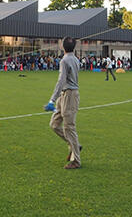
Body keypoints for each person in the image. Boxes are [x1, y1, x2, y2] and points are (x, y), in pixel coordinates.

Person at [45, 36, 82, 169]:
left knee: (69, 127)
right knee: (54, 125)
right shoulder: (75, 59)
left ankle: (76, 160)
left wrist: (51, 100)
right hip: (64, 95)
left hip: (70, 95)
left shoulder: (65, 60)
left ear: (62, 46)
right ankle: (74, 145)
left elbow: (61, 81)